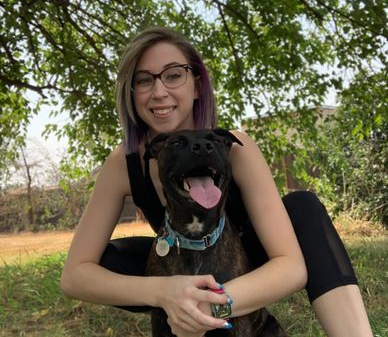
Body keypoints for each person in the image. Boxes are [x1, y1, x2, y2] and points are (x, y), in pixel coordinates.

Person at [61, 27, 373, 336]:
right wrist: (163, 292)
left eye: (173, 75)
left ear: (196, 85)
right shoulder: (124, 162)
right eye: (144, 80)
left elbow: (291, 268)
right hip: (178, 260)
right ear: (130, 92)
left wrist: (208, 308)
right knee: (106, 258)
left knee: (303, 207)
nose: (159, 92)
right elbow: (74, 275)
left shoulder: (235, 147)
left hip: (245, 262)